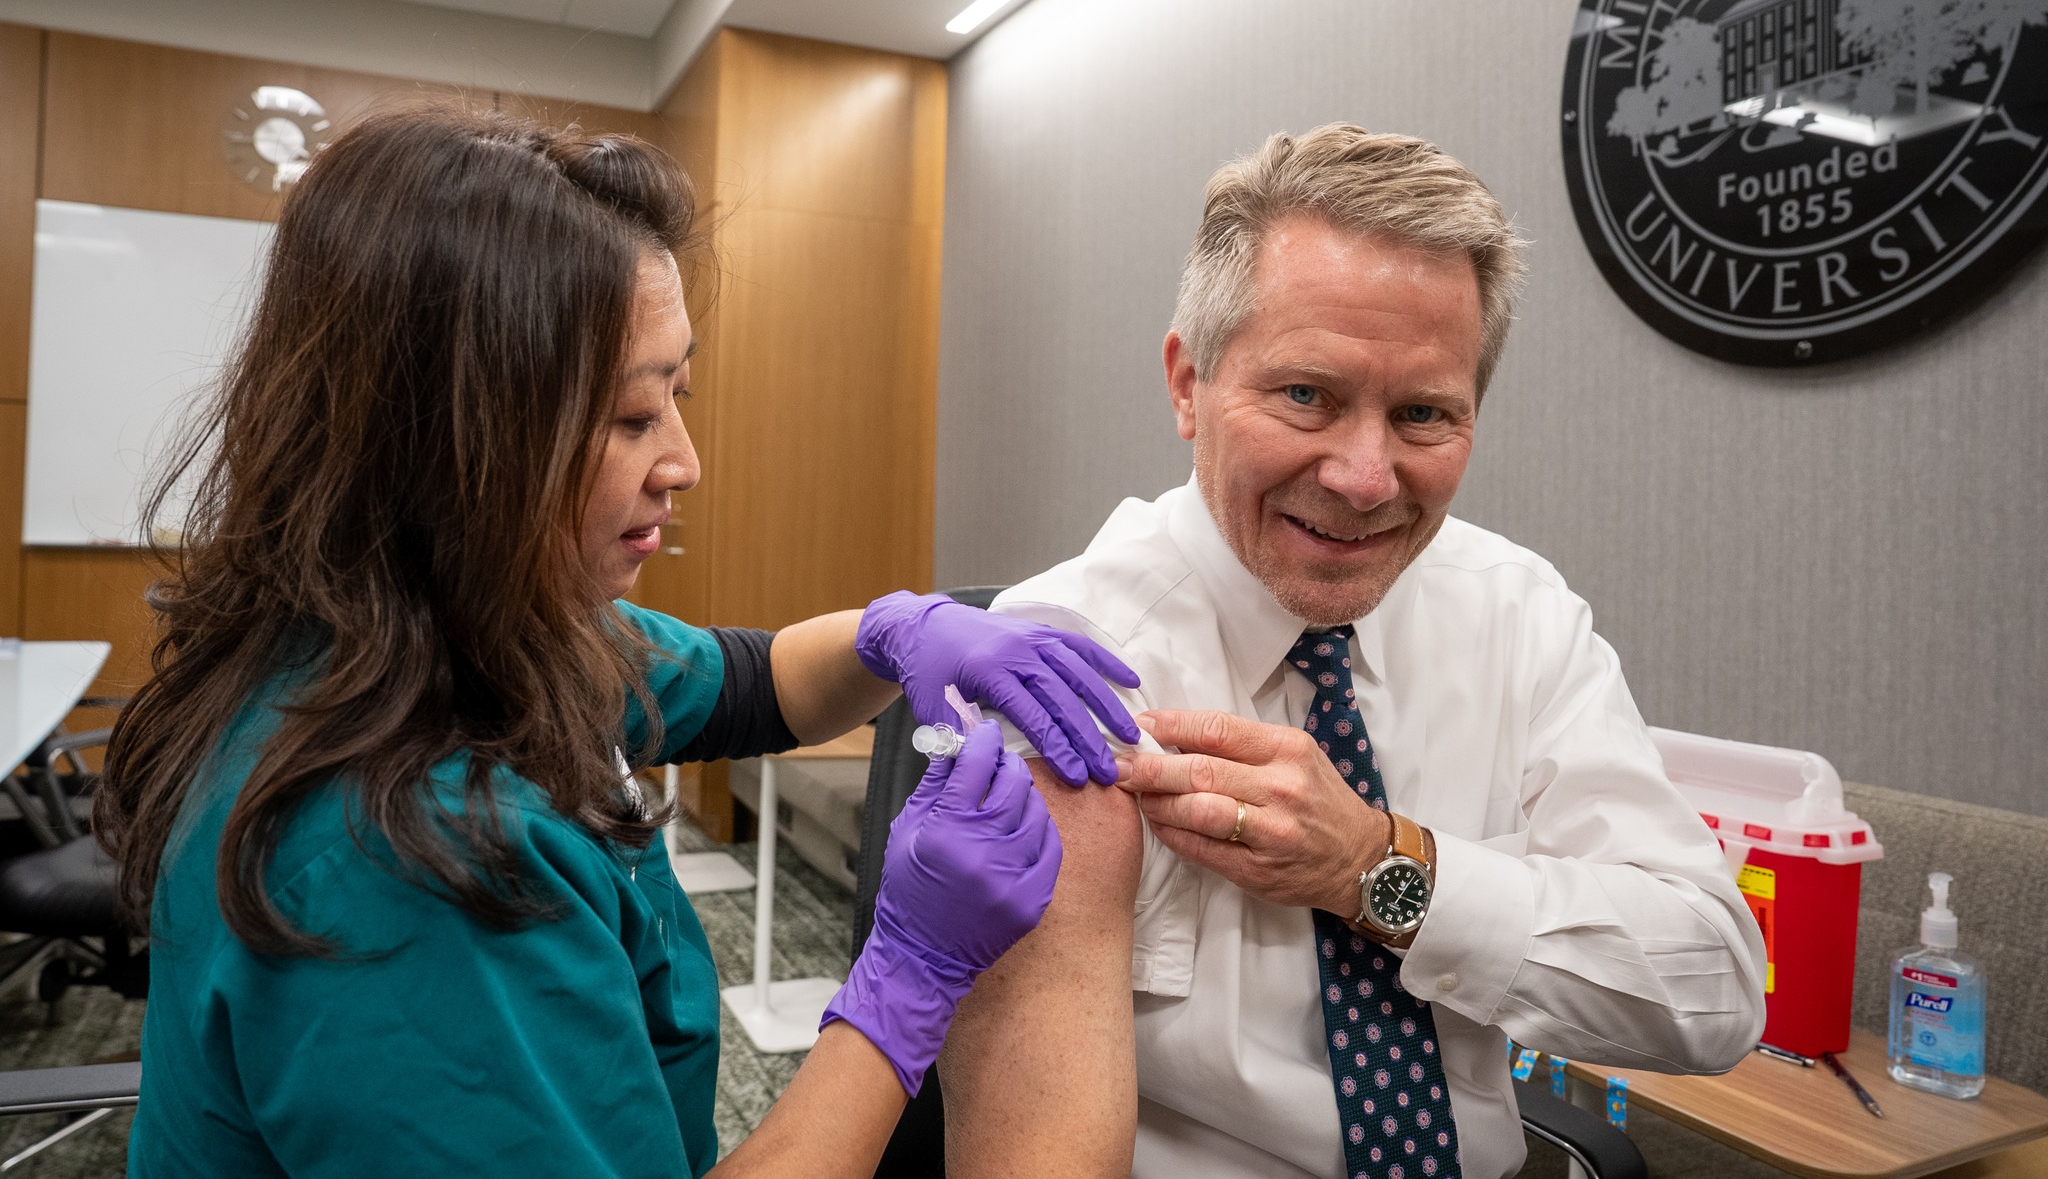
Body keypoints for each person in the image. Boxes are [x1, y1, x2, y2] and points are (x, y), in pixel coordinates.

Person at [95, 106, 1143, 1178]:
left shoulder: (454, 622)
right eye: (629, 416)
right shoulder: (403, 863)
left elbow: (748, 685)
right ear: (449, 441)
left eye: (677, 393)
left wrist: (896, 632)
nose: (682, 462)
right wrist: (905, 980)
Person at [937, 126, 1768, 1179]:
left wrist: (1379, 867)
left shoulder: (1515, 615)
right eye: (1305, 397)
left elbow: (1713, 996)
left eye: (1422, 414)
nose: (1364, 478)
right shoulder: (1062, 662)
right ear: (1188, 384)